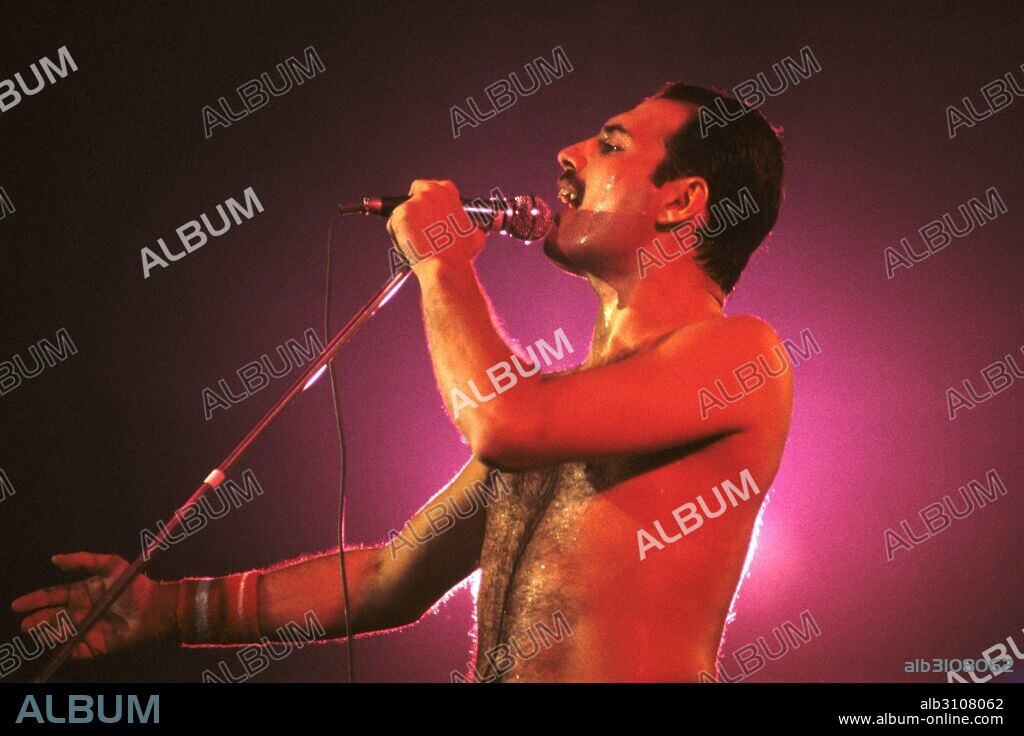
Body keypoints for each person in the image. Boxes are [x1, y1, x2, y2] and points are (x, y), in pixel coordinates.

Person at [12, 82, 790, 682]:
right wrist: (167, 610)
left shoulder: (740, 355)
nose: (568, 152)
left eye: (611, 145)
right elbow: (392, 576)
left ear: (681, 201)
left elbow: (505, 422)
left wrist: (443, 264)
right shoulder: (564, 408)